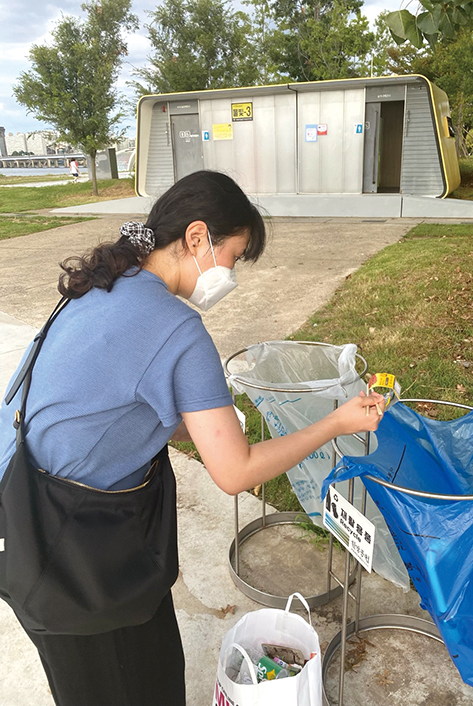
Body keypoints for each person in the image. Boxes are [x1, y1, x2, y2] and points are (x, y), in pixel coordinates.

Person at [0, 170, 384, 706]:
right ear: (198, 238)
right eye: (233, 255)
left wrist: (204, 421)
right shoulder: (178, 330)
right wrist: (336, 422)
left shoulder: (100, 286)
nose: (230, 273)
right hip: (79, 561)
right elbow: (235, 473)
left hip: (24, 522)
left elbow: (109, 403)